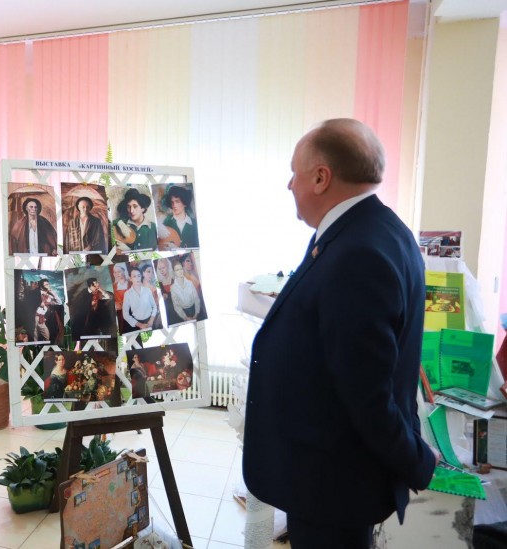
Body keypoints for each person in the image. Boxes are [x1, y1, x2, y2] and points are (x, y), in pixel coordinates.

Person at [242, 119, 438, 549]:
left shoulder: (358, 253)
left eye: (294, 173)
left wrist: (417, 460)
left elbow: (367, 392)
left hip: (332, 486)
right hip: (327, 475)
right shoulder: (375, 229)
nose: (289, 184)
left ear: (320, 177)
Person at [112, 187, 157, 252]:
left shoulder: (153, 227)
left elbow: (153, 251)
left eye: (135, 206)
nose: (131, 210)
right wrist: (119, 223)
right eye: (128, 207)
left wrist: (128, 250)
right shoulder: (122, 223)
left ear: (143, 208)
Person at [159, 185, 199, 249]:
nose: (174, 205)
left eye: (177, 201)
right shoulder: (165, 222)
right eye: (172, 202)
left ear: (185, 203)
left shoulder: (195, 224)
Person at [121, 266, 159, 333]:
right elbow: (125, 314)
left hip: (150, 321)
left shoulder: (147, 290)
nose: (137, 278)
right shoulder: (127, 294)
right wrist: (140, 325)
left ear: (141, 276)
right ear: (130, 278)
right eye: (134, 276)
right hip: (137, 324)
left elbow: (154, 307)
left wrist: (151, 320)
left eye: (139, 276)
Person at [34, 278, 63, 344]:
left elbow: (59, 302)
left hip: (43, 317)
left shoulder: (50, 296)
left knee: (46, 336)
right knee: (35, 334)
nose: (48, 285)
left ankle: (42, 345)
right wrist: (39, 303)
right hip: (35, 315)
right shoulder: (38, 293)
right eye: (46, 284)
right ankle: (36, 346)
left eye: (48, 284)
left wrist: (52, 292)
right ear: (42, 286)